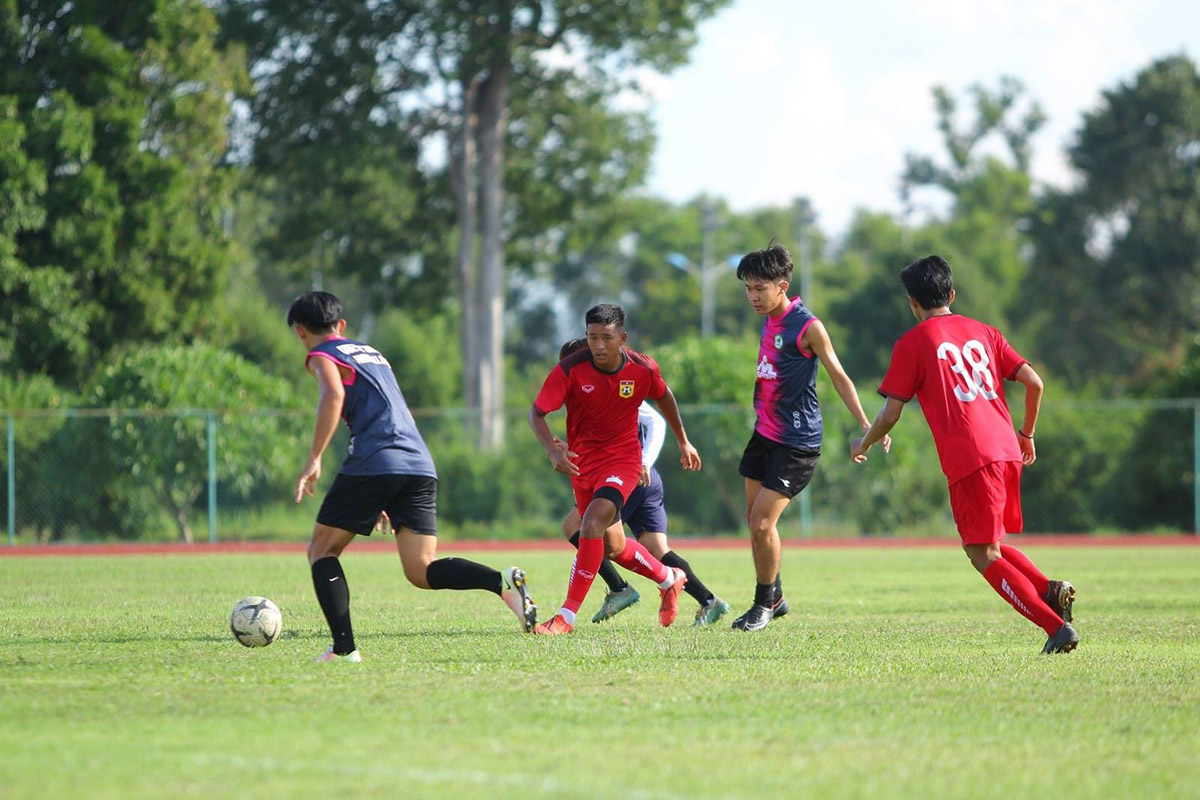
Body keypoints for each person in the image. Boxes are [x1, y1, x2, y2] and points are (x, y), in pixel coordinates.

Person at [288, 291, 537, 663]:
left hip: (376, 459)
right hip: (417, 461)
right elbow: (400, 411)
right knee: (421, 570)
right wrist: (385, 492)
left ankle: (344, 650)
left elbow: (333, 395)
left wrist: (314, 458)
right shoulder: (373, 355)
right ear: (341, 326)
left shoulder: (322, 354)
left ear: (300, 332)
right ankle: (500, 581)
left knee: (321, 550)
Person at [850, 255, 1078, 654]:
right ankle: (1049, 589)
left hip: (971, 455)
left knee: (982, 554)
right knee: (985, 542)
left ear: (912, 303)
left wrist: (864, 442)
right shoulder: (985, 332)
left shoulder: (913, 342)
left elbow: (890, 414)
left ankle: (1055, 627)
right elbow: (1035, 383)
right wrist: (1027, 434)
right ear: (951, 294)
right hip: (1006, 448)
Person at [734, 242, 888, 632]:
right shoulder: (768, 317)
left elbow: (839, 375)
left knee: (762, 524)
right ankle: (777, 597)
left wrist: (866, 425)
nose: (753, 296)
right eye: (748, 288)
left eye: (760, 289)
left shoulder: (808, 326)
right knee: (754, 521)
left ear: (782, 286)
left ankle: (763, 605)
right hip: (764, 435)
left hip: (796, 442)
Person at [529, 304, 701, 635]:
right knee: (614, 547)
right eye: (592, 338)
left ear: (622, 338)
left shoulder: (642, 368)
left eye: (607, 338)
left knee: (591, 523)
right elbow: (536, 412)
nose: (599, 346)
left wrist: (683, 440)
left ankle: (566, 617)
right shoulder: (569, 370)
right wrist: (552, 448)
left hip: (622, 462)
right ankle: (669, 578)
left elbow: (665, 399)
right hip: (582, 466)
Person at [554, 338, 730, 627]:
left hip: (630, 477)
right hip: (638, 478)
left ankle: (618, 589)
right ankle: (709, 600)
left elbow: (656, 421)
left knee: (580, 529)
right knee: (655, 549)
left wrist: (645, 461)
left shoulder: (611, 387)